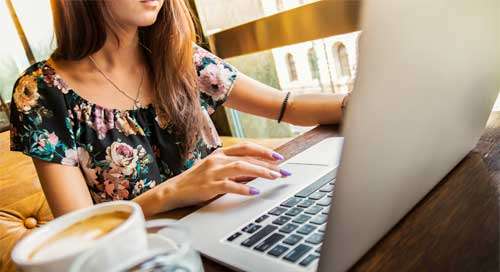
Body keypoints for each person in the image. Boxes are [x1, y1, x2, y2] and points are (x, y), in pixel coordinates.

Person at [9, 0, 347, 218]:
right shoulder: (42, 91)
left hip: (231, 223)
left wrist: (364, 102)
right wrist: (173, 192)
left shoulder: (179, 57)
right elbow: (79, 231)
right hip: (145, 264)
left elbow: (285, 105)